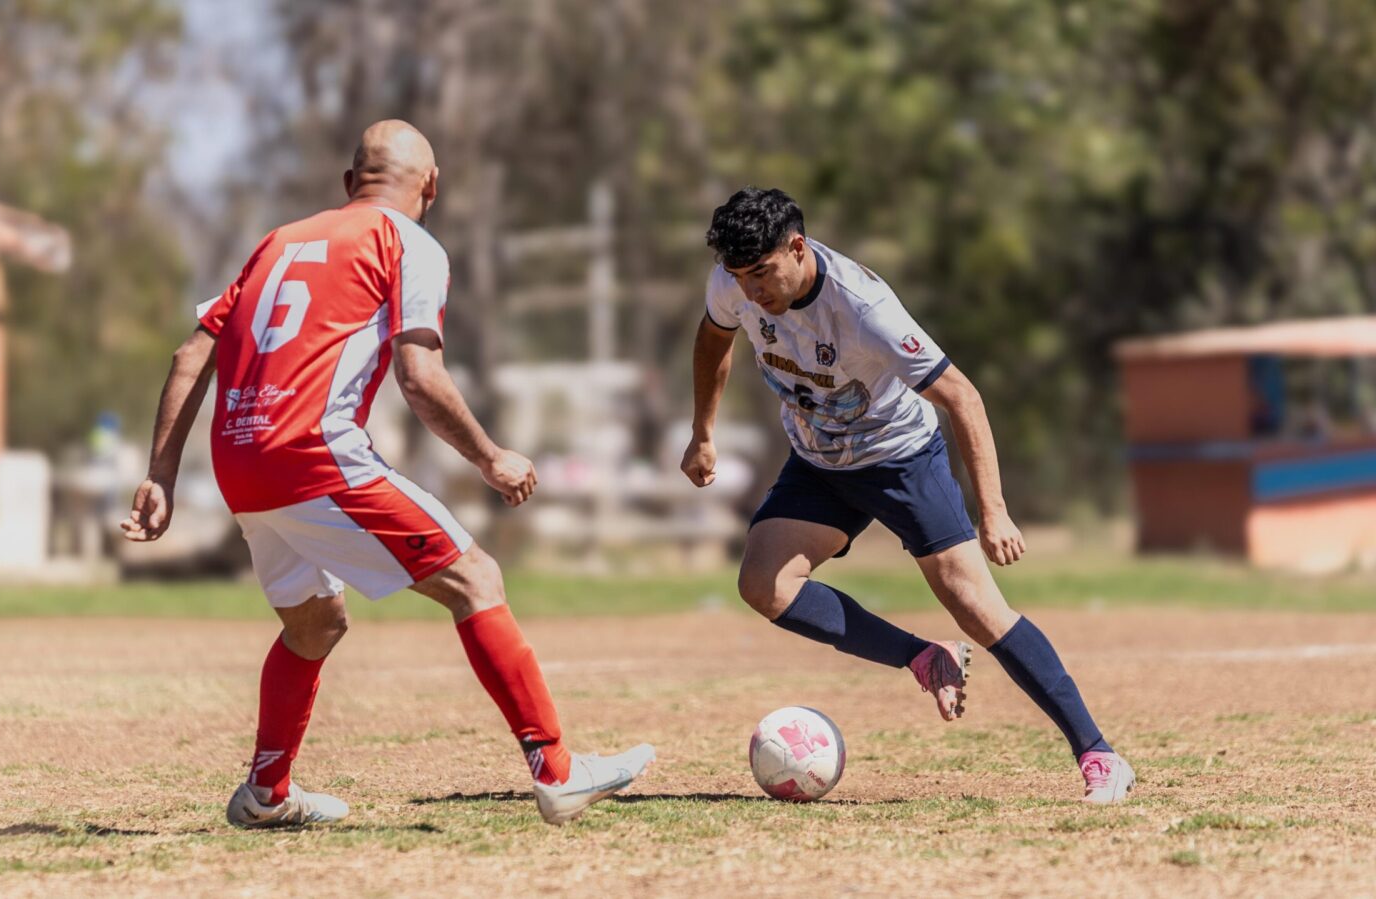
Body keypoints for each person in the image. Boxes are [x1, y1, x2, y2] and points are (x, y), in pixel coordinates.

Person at [122, 120, 653, 828]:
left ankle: (266, 794)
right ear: (430, 187)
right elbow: (419, 375)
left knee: (314, 624)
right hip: (313, 453)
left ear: (349, 184)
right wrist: (492, 455)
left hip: (239, 462)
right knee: (476, 579)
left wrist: (160, 470)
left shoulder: (276, 242)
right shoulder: (409, 243)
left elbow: (193, 354)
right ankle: (557, 770)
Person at [681, 187, 1134, 803]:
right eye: (739, 277)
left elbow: (963, 398)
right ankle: (922, 657)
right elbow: (714, 341)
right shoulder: (732, 285)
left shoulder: (864, 308)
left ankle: (1099, 754)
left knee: (976, 607)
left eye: (762, 273)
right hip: (819, 460)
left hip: (900, 458)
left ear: (797, 246)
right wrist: (702, 433)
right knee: (764, 585)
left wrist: (993, 510)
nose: (752, 292)